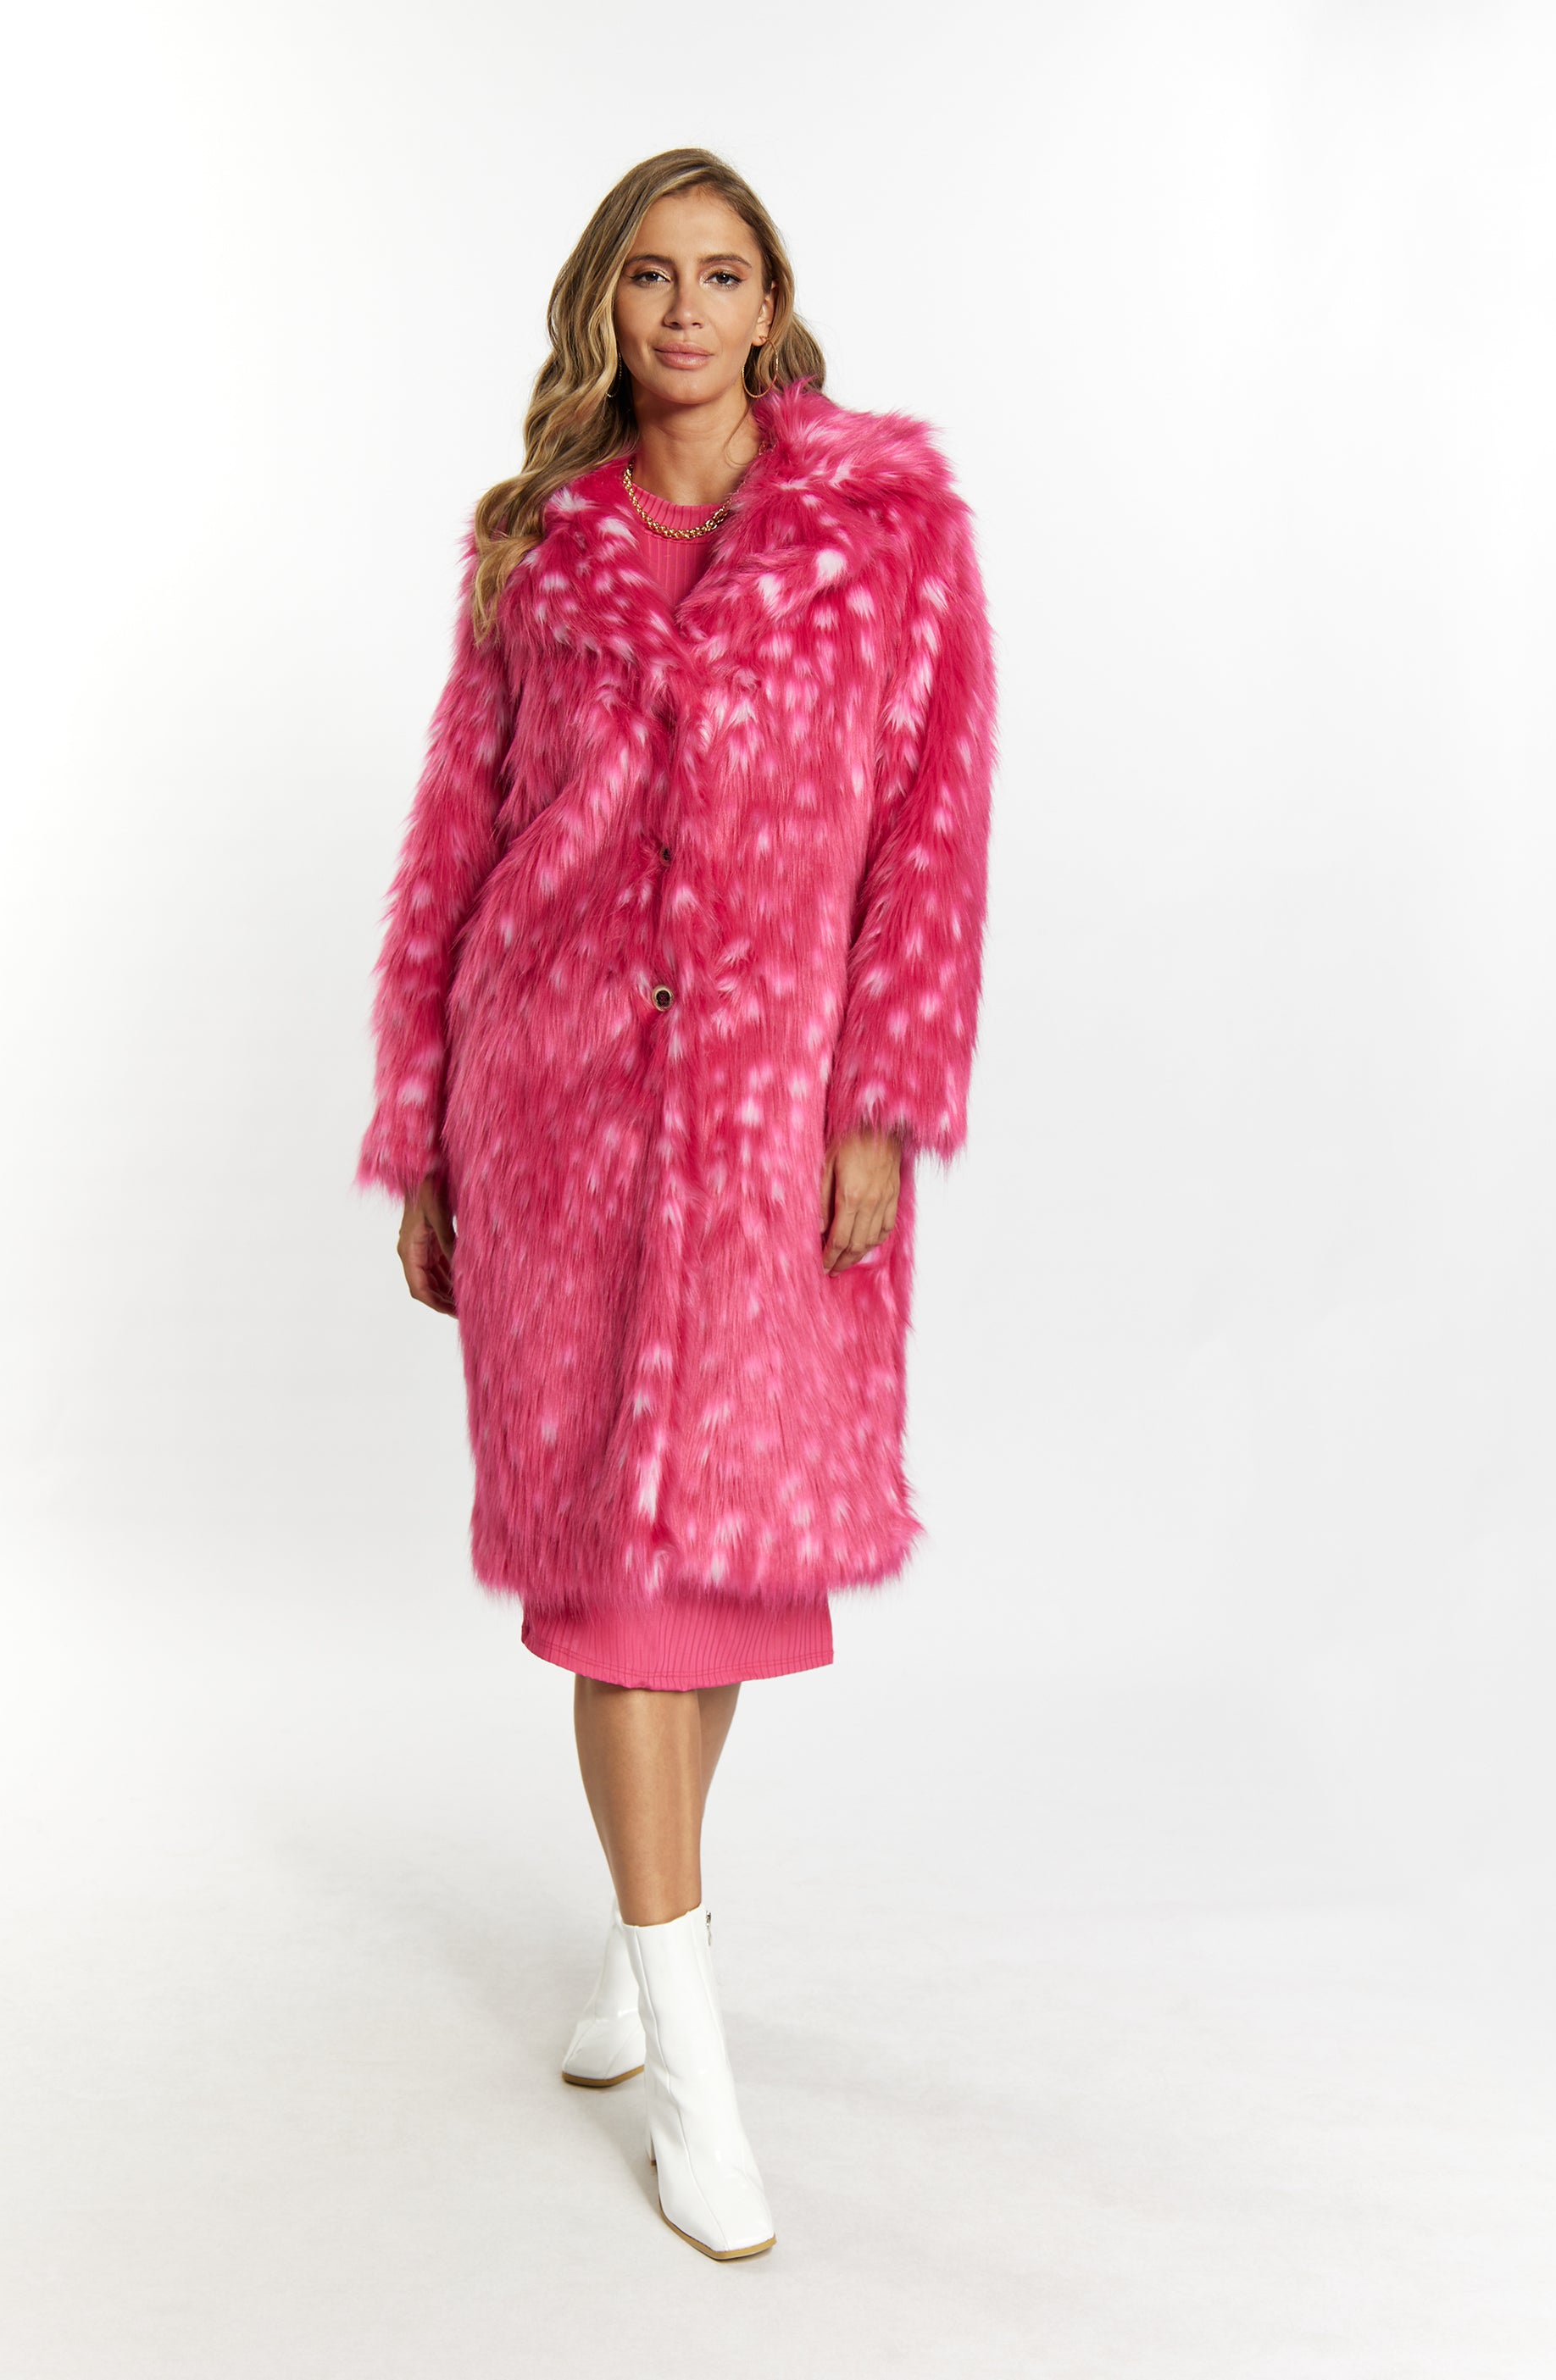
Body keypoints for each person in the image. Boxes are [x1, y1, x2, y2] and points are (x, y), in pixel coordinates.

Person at [356, 147, 998, 2261]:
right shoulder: (531, 545)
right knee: (622, 1595)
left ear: (771, 301)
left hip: (763, 1132)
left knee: (704, 1574)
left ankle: (647, 1964)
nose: (688, 311)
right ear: (604, 305)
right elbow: (456, 839)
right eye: (651, 274)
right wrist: (424, 1126)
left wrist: (878, 1104)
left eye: (724, 274)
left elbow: (931, 832)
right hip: (552, 1116)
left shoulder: (883, 537)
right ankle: (698, 2083)